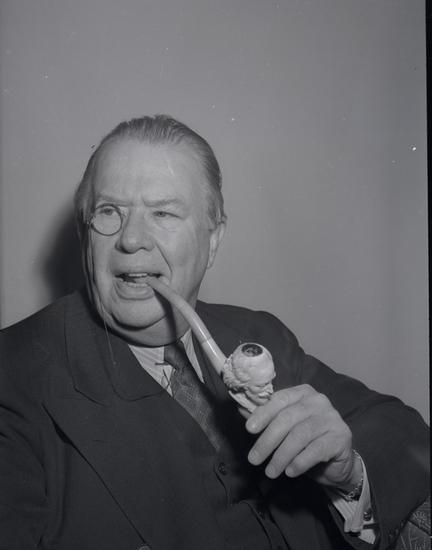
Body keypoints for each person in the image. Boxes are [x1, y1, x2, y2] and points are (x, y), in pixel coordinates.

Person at [0, 115, 428, 550]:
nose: (131, 240)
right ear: (83, 232)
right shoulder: (12, 374)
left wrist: (349, 473)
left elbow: (403, 433)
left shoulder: (256, 333)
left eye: (163, 212)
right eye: (109, 211)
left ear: (214, 240)